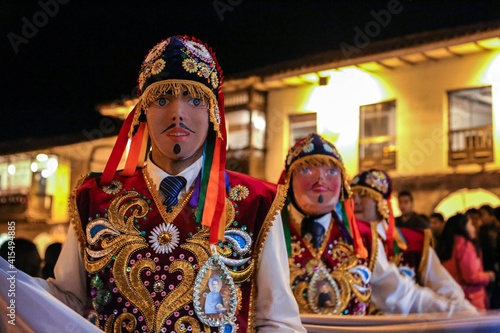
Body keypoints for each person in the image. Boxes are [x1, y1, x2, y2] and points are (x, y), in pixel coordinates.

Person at [4, 36, 305, 332]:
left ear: (213, 113)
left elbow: (278, 321)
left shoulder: (256, 201)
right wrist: (8, 286)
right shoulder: (94, 198)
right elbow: (66, 302)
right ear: (142, 111)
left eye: (195, 99)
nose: (177, 113)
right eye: (162, 99)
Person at [279, 133, 476, 316]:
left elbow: (402, 295)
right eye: (306, 169)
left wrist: (463, 314)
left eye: (331, 170)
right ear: (288, 181)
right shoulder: (269, 230)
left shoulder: (365, 238)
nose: (320, 178)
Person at [351, 169, 474, 311]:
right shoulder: (346, 241)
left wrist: (459, 314)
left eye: (364, 195)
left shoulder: (414, 243)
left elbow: (448, 289)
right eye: (352, 196)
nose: (356, 201)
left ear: (381, 202)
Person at [436, 214, 495, 310]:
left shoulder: (447, 244)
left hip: (454, 296)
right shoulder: (465, 246)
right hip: (470, 298)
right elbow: (470, 277)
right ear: (462, 227)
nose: (473, 228)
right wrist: (488, 277)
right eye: (470, 224)